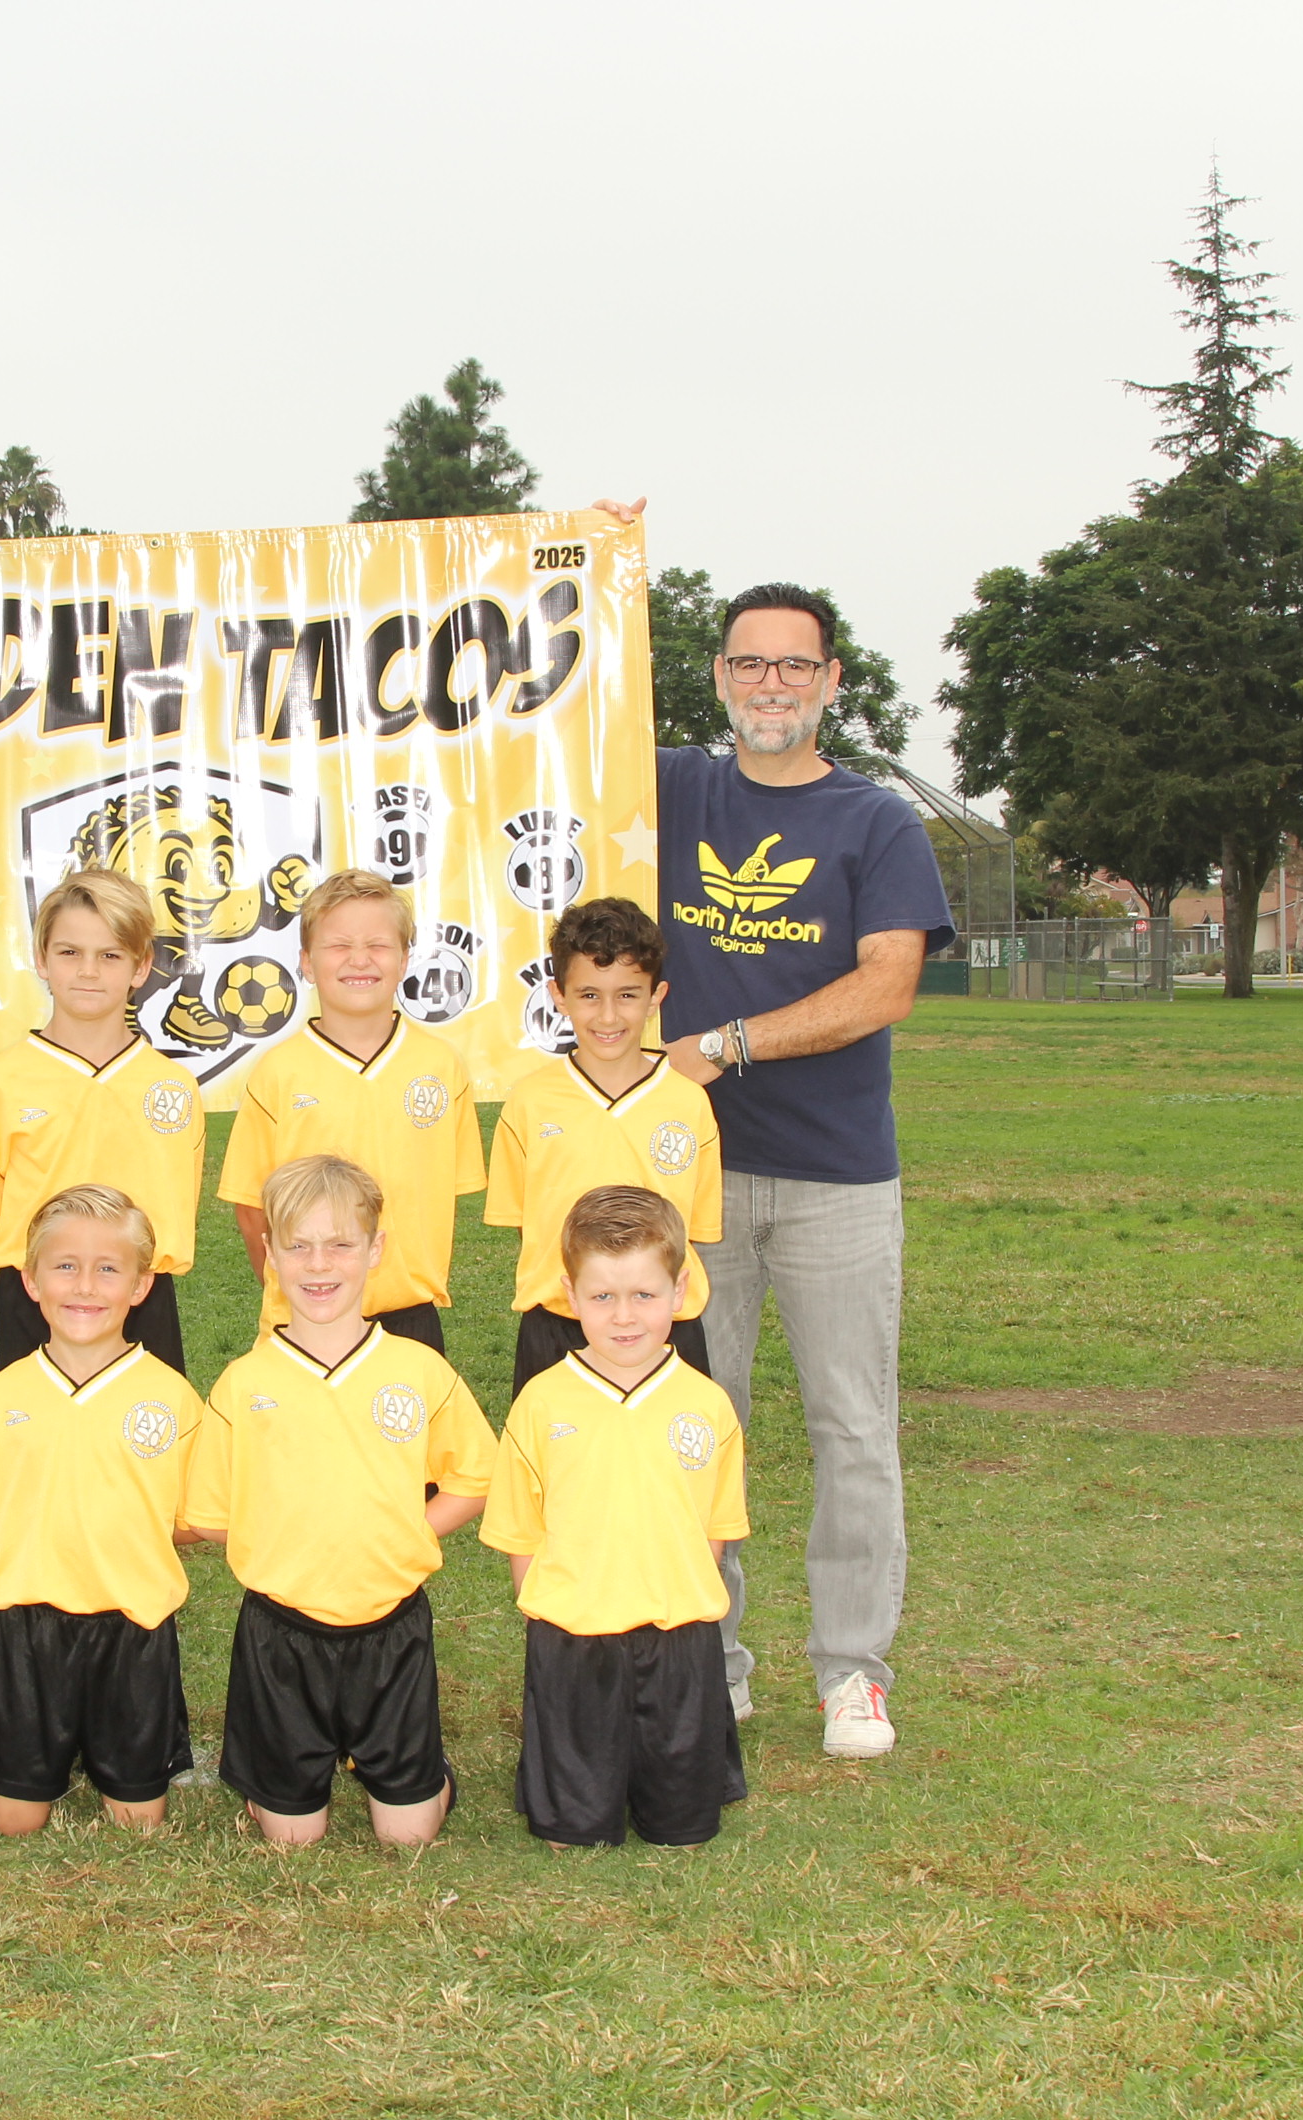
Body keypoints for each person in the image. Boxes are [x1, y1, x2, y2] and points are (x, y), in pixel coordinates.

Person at [650, 575, 953, 1758]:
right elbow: (553, 724)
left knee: (853, 1428)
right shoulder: (669, 788)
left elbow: (888, 985)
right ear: (719, 677)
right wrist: (596, 556)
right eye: (748, 662)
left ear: (830, 682)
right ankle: (709, 1661)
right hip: (693, 1177)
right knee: (693, 1421)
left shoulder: (875, 822)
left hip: (838, 1177)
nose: (769, 684)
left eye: (793, 665)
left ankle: (853, 1673)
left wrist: (726, 1044)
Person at [183, 1155, 495, 1849]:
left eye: (340, 1244)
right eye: (298, 1245)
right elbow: (208, 1515)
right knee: (293, 1839)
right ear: (270, 1254)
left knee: (408, 1838)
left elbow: (474, 1478)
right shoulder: (244, 1384)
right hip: (282, 1633)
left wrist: (407, 1530)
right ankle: (285, 1775)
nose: (319, 1264)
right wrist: (291, 1535)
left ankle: (418, 1771)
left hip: (392, 1627)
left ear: (375, 1250)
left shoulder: (417, 1370)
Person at [484, 1186, 751, 1848]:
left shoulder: (707, 1404)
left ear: (679, 1292)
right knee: (570, 1836)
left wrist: (680, 1595)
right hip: (575, 1638)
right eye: (602, 1296)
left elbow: (715, 1530)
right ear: (570, 1296)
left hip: (678, 1637)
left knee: (683, 1833)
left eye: (644, 1294)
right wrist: (548, 1619)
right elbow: (520, 1529)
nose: (624, 1316)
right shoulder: (541, 1403)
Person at [0, 1184, 208, 1836]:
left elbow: (189, 1522)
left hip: (133, 1626)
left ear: (141, 1285)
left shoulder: (172, 1398)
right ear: (31, 1280)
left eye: (108, 1269)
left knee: (138, 1823)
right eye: (65, 1266)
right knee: (14, 1822)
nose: (85, 1286)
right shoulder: (3, 1397)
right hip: (29, 1628)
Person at [214, 870, 486, 1352]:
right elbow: (251, 1208)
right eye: (339, 946)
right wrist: (301, 1288)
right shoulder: (278, 1072)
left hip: (410, 1318)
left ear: (403, 960)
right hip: (305, 1317)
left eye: (377, 945)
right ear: (307, 962)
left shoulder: (440, 1066)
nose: (359, 960)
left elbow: (443, 1193)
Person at [0, 869, 206, 1373]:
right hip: (34, 1303)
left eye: (110, 955)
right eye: (70, 952)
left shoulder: (173, 1088)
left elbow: (174, 1219)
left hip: (144, 1301)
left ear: (141, 966)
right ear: (42, 959)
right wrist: (52, 1283)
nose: (88, 971)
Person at [486, 896, 725, 1401]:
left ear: (656, 995)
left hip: (665, 1331)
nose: (609, 1015)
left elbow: (694, 1232)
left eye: (628, 995)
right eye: (590, 995)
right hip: (558, 1327)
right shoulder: (530, 1102)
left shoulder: (688, 1102)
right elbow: (527, 1225)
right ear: (559, 995)